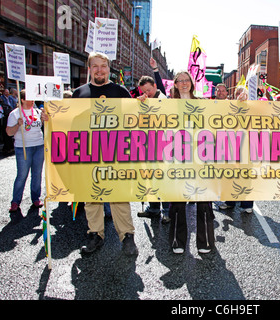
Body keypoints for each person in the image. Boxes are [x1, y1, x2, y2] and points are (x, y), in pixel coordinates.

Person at [72, 52, 138, 256]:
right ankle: (95, 234)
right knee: (91, 196)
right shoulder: (79, 93)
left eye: (103, 66)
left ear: (109, 69)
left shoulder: (121, 91)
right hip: (88, 153)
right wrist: (51, 118)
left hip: (116, 154)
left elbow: (133, 120)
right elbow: (70, 122)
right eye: (95, 66)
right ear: (89, 68)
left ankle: (127, 236)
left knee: (119, 197)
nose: (100, 70)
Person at [169, 71, 215, 254]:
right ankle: (178, 241)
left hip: (200, 158)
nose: (183, 83)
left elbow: (221, 117)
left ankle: (204, 242)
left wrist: (242, 101)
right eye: (179, 80)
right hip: (177, 159)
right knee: (178, 202)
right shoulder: (168, 105)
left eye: (186, 79)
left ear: (191, 83)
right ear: (175, 84)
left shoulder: (202, 103)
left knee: (203, 200)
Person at [6, 89, 48, 212]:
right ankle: (15, 201)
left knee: (37, 174)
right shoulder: (15, 114)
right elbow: (9, 132)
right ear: (23, 99)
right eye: (30, 97)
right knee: (22, 175)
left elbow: (46, 126)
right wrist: (17, 125)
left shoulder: (37, 111)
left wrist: (46, 118)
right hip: (23, 147)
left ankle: (36, 198)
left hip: (39, 146)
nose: (33, 100)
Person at [136, 74, 169, 223]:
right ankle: (154, 208)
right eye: (144, 91)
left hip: (163, 147)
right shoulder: (143, 101)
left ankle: (166, 210)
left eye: (149, 90)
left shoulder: (165, 100)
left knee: (164, 179)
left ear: (155, 86)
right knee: (150, 179)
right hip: (147, 146)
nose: (146, 94)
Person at [217, 85, 254, 213]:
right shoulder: (230, 107)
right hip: (230, 146)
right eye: (237, 93)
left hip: (247, 148)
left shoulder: (252, 108)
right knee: (229, 176)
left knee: (245, 176)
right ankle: (229, 202)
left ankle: (247, 204)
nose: (239, 95)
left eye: (242, 93)